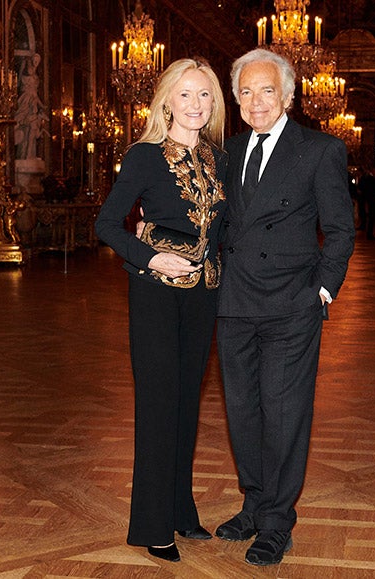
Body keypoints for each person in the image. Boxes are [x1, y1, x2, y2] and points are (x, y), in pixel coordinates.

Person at [214, 48, 355, 566]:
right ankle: (254, 503)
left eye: (266, 90)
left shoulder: (320, 150)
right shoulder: (226, 154)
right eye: (246, 92)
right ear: (236, 98)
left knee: (284, 412)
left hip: (291, 304)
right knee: (243, 411)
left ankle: (277, 522)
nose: (256, 102)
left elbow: (340, 230)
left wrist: (322, 290)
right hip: (234, 304)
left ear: (288, 96)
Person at [94, 58, 227, 564]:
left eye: (206, 96)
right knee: (158, 404)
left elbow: (225, 229)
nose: (196, 105)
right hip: (153, 293)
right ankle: (153, 526)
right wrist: (151, 255)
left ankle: (180, 510)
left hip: (204, 296)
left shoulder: (219, 159)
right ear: (167, 101)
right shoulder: (144, 157)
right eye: (187, 95)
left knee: (187, 404)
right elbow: (107, 225)